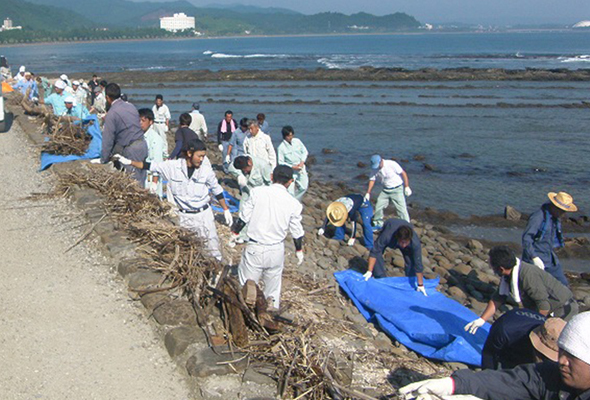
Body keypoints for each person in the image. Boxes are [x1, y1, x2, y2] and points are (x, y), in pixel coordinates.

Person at [399, 311, 590, 400]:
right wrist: (455, 385)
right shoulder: (551, 375)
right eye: (562, 352)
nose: (562, 361)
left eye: (572, 357)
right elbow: (513, 381)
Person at [114, 139, 233, 261]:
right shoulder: (172, 167)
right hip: (185, 217)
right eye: (199, 156)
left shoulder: (206, 171)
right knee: (190, 250)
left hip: (203, 216)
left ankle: (217, 271)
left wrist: (226, 209)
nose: (202, 159)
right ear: (189, 154)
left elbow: (217, 190)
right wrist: (128, 162)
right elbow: (149, 166)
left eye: (203, 156)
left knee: (212, 248)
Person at [230, 165, 305, 309]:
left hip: (255, 247)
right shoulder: (294, 204)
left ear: (271, 177)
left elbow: (244, 217)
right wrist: (299, 251)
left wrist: (235, 233)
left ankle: (246, 314)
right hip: (276, 250)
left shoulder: (257, 192)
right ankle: (270, 315)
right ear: (290, 182)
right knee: (273, 290)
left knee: (247, 286)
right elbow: (297, 231)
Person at [464, 246, 578, 336]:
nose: (490, 266)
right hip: (542, 308)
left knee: (554, 340)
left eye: (491, 265)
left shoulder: (528, 276)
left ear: (501, 269)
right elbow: (498, 298)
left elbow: (544, 306)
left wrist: (532, 325)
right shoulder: (507, 276)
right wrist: (481, 320)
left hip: (563, 309)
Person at [522, 192, 577, 286]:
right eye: (561, 210)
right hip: (535, 257)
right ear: (554, 206)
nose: (563, 213)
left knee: (562, 284)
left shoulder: (554, 219)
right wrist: (534, 257)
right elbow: (527, 238)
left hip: (550, 258)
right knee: (534, 286)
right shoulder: (538, 217)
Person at [98, 83, 148, 185]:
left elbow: (108, 139)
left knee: (134, 184)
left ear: (107, 97)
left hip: (131, 149)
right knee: (142, 180)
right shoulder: (131, 106)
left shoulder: (112, 113)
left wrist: (104, 159)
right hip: (142, 144)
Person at [481, 308, 565, 370]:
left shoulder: (556, 331)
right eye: (542, 354)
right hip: (510, 342)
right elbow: (489, 354)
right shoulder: (505, 329)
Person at [364, 219, 427, 294]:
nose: (403, 245)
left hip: (406, 237)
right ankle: (380, 278)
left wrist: (420, 284)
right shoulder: (387, 236)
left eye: (405, 243)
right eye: (402, 242)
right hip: (390, 225)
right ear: (398, 239)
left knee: (411, 261)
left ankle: (410, 281)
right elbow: (375, 251)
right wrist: (369, 271)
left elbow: (418, 264)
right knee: (378, 254)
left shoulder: (414, 243)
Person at [229, 155, 272, 242]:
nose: (244, 171)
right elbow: (230, 167)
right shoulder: (240, 161)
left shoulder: (263, 165)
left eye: (245, 169)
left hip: (260, 194)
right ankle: (242, 235)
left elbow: (269, 183)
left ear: (249, 163)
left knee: (258, 216)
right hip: (247, 191)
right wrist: (239, 175)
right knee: (243, 212)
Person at [365, 154, 412, 227]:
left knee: (401, 209)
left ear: (381, 161)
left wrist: (406, 186)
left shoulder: (391, 164)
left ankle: (407, 225)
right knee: (379, 206)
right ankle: (378, 223)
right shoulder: (375, 168)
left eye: (378, 165)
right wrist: (368, 193)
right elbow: (372, 179)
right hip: (385, 190)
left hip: (397, 189)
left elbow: (403, 173)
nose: (377, 167)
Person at [138, 108, 166, 197]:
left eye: (143, 120)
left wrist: (154, 183)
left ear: (150, 122)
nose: (140, 123)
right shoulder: (139, 136)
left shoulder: (155, 139)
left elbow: (157, 163)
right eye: (138, 120)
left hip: (151, 179)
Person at [277, 126, 308, 200]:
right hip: (290, 171)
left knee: (304, 187)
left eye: (291, 135)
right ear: (285, 136)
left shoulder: (297, 141)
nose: (290, 137)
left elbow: (304, 151)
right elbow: (280, 162)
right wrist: (292, 167)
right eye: (288, 136)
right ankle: (291, 203)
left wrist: (302, 162)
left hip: (300, 167)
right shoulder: (281, 147)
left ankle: (296, 200)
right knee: (290, 191)